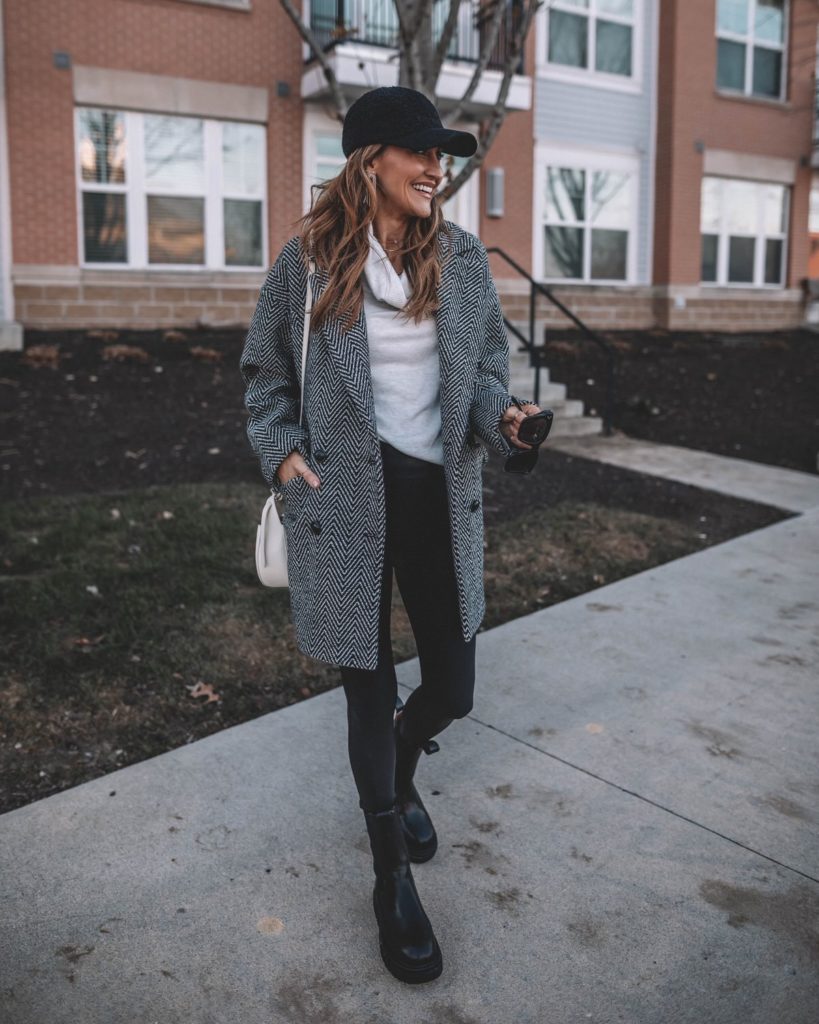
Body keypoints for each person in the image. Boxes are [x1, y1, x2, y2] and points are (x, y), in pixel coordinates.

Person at [239, 85, 541, 985]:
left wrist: (509, 418)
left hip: (436, 496)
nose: (436, 168)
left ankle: (401, 772)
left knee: (450, 684)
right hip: (344, 499)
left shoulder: (459, 258)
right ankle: (390, 878)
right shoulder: (305, 262)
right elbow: (264, 377)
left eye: (442, 156)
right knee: (365, 690)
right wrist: (282, 456)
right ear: (370, 159)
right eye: (419, 153)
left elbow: (485, 371)